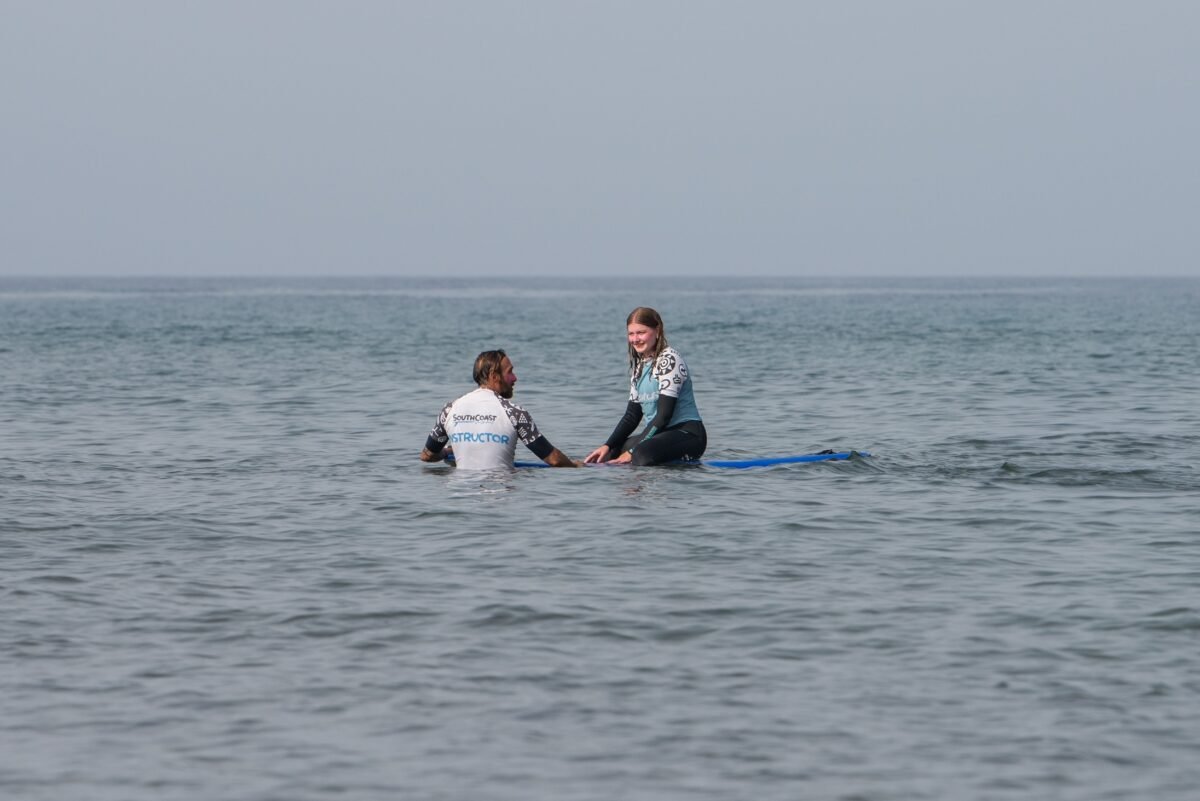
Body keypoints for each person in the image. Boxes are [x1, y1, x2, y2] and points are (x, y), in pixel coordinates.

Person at [584, 307, 707, 466]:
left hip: (688, 434)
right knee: (610, 453)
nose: (635, 339)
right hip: (659, 435)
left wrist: (632, 452)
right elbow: (631, 416)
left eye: (641, 333)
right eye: (631, 334)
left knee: (640, 454)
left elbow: (664, 416)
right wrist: (607, 445)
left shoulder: (669, 360)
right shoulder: (640, 368)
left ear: (657, 331)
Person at [421, 350, 578, 469]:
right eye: (510, 372)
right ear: (494, 376)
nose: (515, 378)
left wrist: (447, 452)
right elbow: (555, 460)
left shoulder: (449, 410)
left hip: (460, 496)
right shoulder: (515, 413)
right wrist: (576, 466)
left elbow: (427, 456)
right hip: (502, 498)